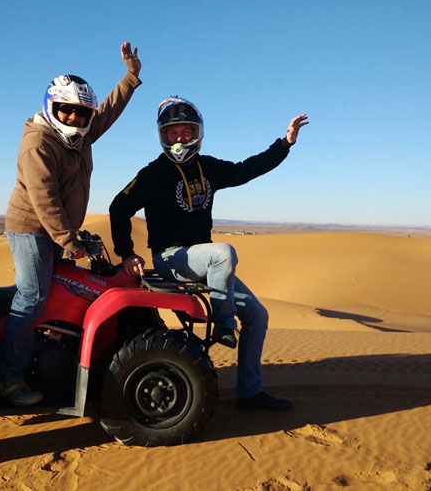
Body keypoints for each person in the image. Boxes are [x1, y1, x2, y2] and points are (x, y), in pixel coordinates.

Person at [109, 96, 307, 411]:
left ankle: (249, 392)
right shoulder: (153, 173)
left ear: (196, 133)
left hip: (205, 261)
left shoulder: (208, 167)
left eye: (186, 132)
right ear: (163, 135)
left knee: (258, 315)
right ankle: (224, 324)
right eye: (173, 133)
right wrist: (127, 253)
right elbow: (119, 208)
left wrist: (284, 144)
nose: (179, 138)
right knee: (223, 253)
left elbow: (246, 170)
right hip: (170, 258)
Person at [0, 42, 142, 406]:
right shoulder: (39, 142)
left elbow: (105, 113)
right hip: (32, 227)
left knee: (62, 293)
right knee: (31, 297)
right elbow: (43, 197)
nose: (75, 119)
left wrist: (130, 77)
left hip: (59, 229)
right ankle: (9, 378)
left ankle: (53, 357)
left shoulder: (79, 134)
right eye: (67, 111)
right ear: (52, 107)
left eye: (81, 113)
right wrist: (69, 240)